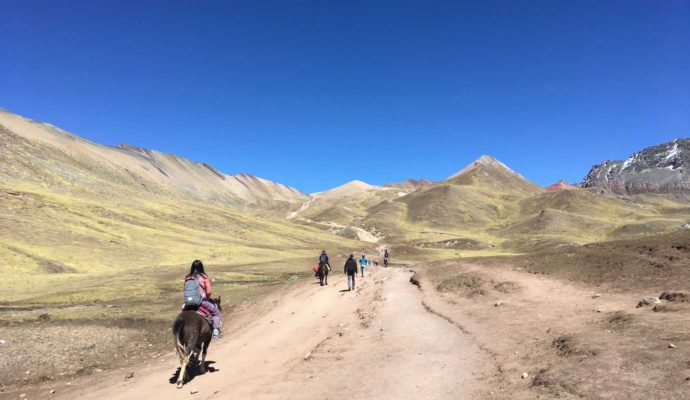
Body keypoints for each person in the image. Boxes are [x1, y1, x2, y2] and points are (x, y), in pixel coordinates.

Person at [184, 260, 222, 339]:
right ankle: (215, 332)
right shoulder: (204, 277)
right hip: (201, 302)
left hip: (188, 303)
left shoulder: (187, 277)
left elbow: (186, 291)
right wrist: (206, 298)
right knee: (216, 313)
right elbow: (208, 291)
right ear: (201, 267)